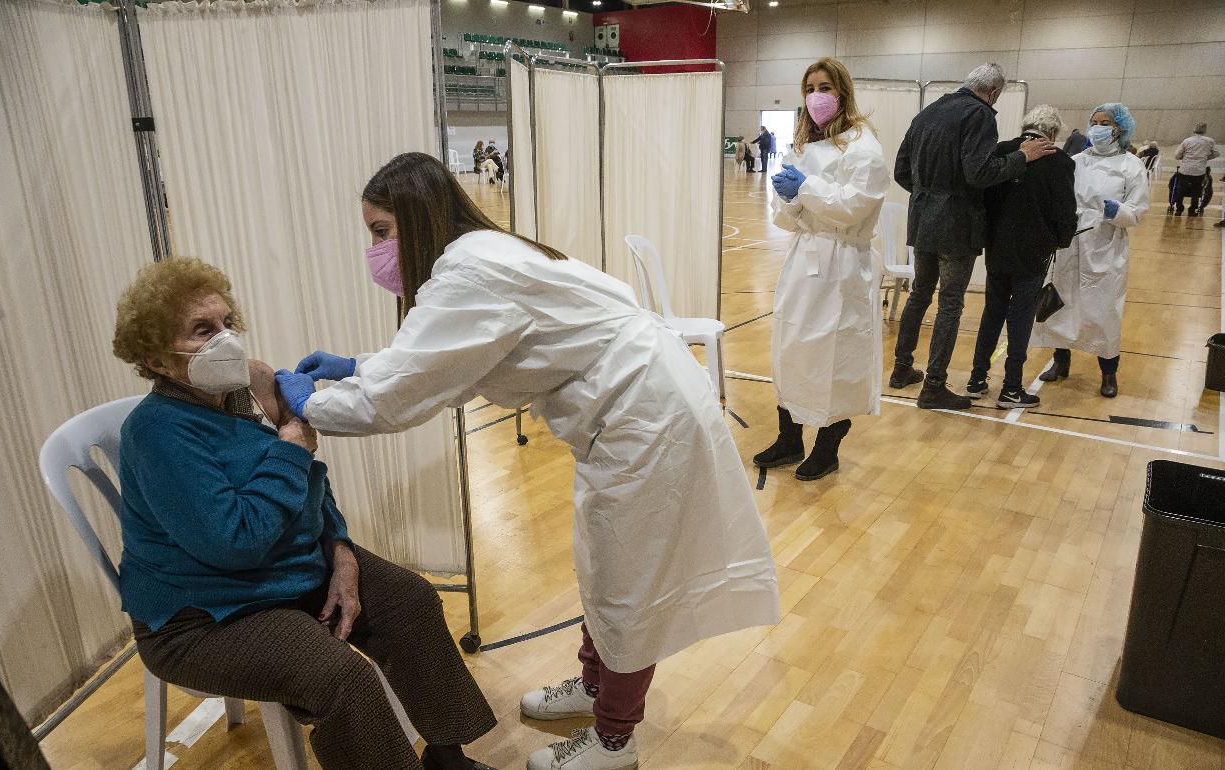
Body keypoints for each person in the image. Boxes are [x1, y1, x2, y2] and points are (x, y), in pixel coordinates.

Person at [274, 153, 780, 770]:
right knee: (604, 564)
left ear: (416, 218)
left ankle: (614, 742)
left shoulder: (469, 272)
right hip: (632, 410)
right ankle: (595, 690)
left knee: (629, 581)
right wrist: (356, 367)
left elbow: (403, 394)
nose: (376, 251)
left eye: (381, 233)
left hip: (645, 419)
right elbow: (445, 360)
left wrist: (311, 406)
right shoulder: (479, 254)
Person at [110, 258, 497, 770]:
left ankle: (449, 758)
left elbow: (311, 490)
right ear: (157, 359)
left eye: (227, 323)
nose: (225, 339)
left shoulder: (244, 392)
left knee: (409, 602)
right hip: (205, 614)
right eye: (203, 330)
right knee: (341, 678)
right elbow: (235, 541)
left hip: (286, 573)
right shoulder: (158, 432)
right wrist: (292, 448)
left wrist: (340, 552)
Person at [890, 63, 1056, 409]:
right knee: (950, 303)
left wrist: (929, 195)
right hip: (957, 224)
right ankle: (934, 386)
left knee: (919, 294)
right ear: (993, 92)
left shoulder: (928, 113)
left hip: (922, 220)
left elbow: (901, 170)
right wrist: (1021, 156)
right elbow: (980, 173)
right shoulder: (979, 115)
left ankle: (901, 369)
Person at [753, 57, 889, 480]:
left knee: (834, 352)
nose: (817, 96)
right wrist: (787, 198)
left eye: (825, 87)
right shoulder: (805, 145)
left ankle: (827, 447)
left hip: (842, 263)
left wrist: (806, 189)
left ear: (843, 92)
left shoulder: (863, 146)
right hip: (805, 259)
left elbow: (853, 207)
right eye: (810, 88)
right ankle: (789, 437)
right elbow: (787, 217)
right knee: (792, 344)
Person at [1032, 103, 1150, 398]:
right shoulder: (1076, 161)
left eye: (1105, 122)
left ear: (1118, 129)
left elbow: (1137, 212)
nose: (1097, 127)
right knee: (1063, 306)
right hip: (1070, 243)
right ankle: (1061, 363)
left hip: (1106, 246)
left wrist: (1117, 210)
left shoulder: (1131, 166)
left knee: (1104, 312)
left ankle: (1109, 373)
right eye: (1094, 121)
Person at [965, 105, 1077, 408]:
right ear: (1052, 133)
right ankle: (1012, 387)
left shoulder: (1002, 151)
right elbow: (1065, 212)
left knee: (993, 312)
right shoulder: (1061, 163)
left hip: (997, 247)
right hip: (1033, 251)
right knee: (1021, 318)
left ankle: (977, 379)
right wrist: (1061, 241)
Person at [1172, 123, 1218, 216]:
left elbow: (1177, 155)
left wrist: (1184, 158)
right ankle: (1192, 210)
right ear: (1205, 131)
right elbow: (1216, 153)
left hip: (1185, 170)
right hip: (1199, 171)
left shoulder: (1187, 141)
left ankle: (1179, 209)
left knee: (1180, 190)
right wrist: (1205, 158)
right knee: (1196, 191)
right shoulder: (1209, 141)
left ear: (1194, 130)